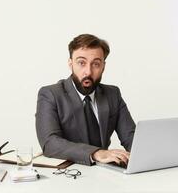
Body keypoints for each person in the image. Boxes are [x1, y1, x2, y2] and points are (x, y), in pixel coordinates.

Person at [35, 34, 135, 166]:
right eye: (81, 63)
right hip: (67, 175)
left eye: (96, 64)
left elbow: (131, 138)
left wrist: (151, 155)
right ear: (70, 64)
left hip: (106, 175)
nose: (88, 72)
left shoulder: (113, 94)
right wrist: (96, 153)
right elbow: (50, 143)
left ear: (103, 67)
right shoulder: (50, 94)